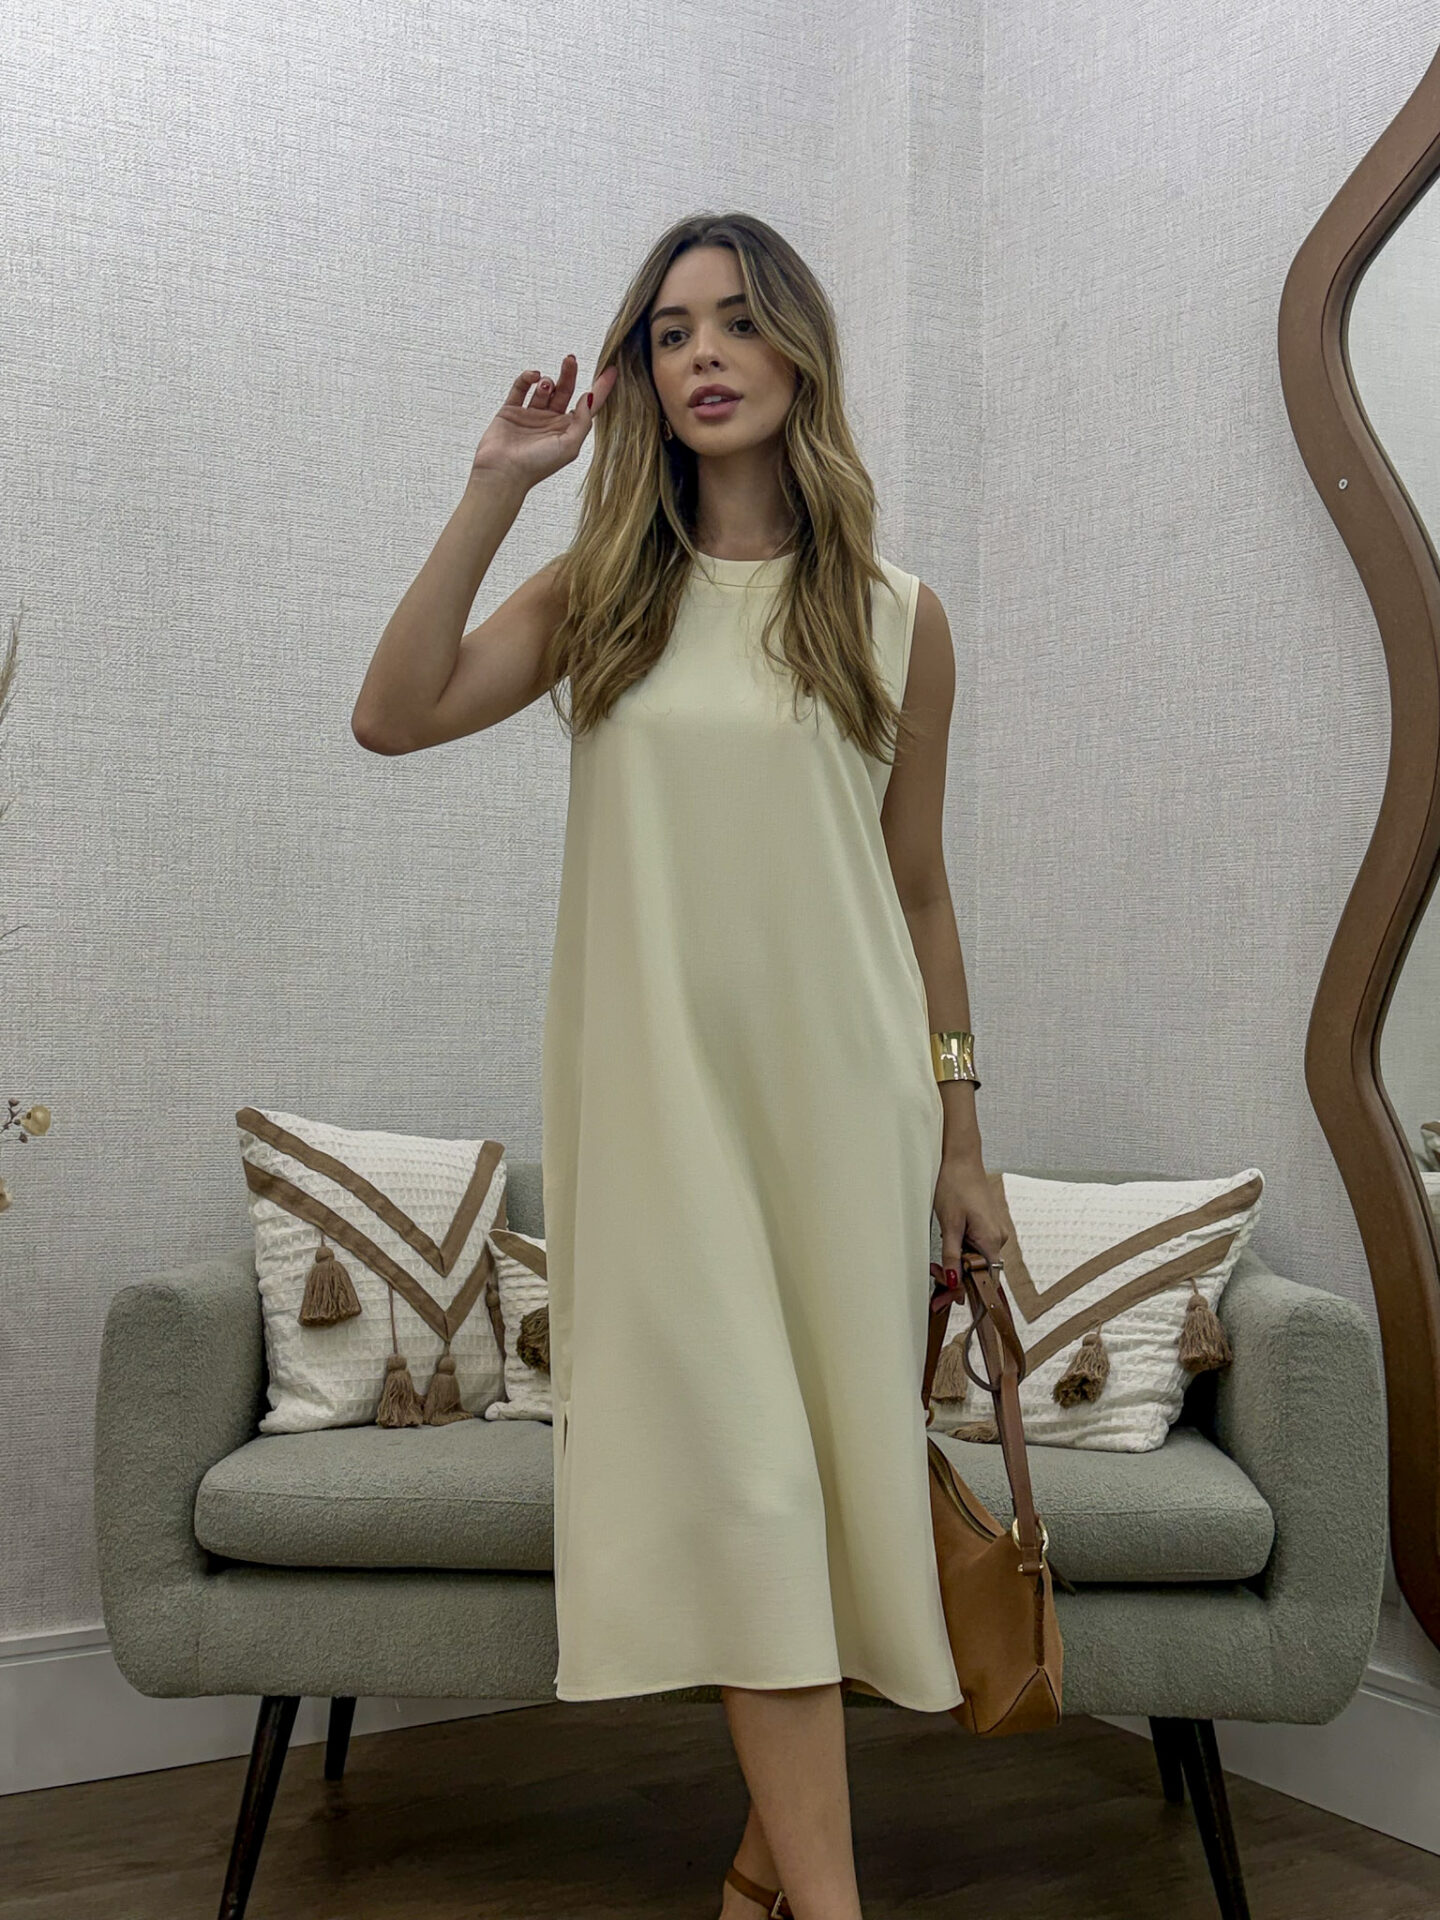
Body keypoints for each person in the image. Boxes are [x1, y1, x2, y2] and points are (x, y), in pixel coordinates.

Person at [354, 210, 1010, 1920]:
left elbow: (919, 894)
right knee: (748, 1486)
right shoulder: (605, 596)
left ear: (798, 349)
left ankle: (763, 1880)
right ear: (641, 374)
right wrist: (495, 486)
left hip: (846, 1116)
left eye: (732, 321)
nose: (701, 354)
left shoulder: (899, 616)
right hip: (658, 1121)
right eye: (668, 332)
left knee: (814, 1497)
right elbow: (395, 713)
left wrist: (961, 1134)